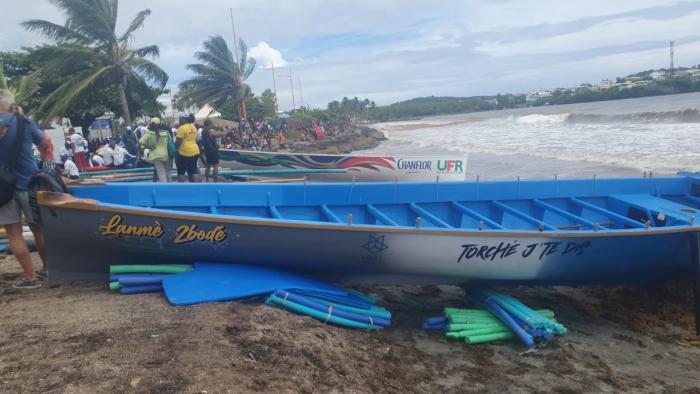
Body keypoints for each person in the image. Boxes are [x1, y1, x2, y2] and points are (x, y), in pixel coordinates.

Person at [0, 90, 48, 288]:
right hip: (29, 182)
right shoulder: (24, 121)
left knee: (14, 234)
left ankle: (30, 278)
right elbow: (45, 143)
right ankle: (48, 269)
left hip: (3, 187)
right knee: (39, 229)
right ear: (11, 104)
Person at [139, 117, 172, 183]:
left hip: (156, 156)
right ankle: (170, 188)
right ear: (160, 124)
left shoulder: (149, 134)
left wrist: (149, 146)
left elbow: (140, 141)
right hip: (167, 155)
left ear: (151, 125)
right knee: (168, 172)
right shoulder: (166, 133)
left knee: (161, 173)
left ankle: (164, 189)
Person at [175, 114, 200, 182]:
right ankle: (195, 186)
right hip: (195, 150)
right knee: (193, 171)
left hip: (184, 152)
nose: (179, 120)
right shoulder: (193, 127)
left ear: (185, 119)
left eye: (181, 118)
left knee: (181, 171)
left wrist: (175, 150)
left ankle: (181, 188)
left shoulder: (182, 128)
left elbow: (178, 142)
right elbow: (196, 140)